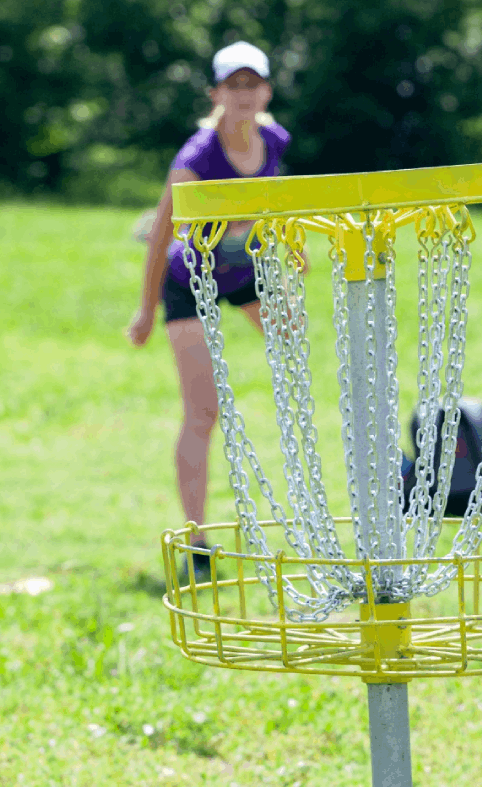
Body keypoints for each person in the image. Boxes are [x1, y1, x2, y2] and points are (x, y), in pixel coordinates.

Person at [127, 41, 292, 574]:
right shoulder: (197, 157)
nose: (244, 94)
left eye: (253, 84)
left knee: (296, 342)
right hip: (191, 279)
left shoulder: (273, 140)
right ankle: (197, 539)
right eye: (233, 85)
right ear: (216, 93)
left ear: (267, 91)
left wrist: (294, 252)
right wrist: (146, 311)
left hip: (244, 269)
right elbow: (161, 235)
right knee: (203, 411)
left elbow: (273, 203)